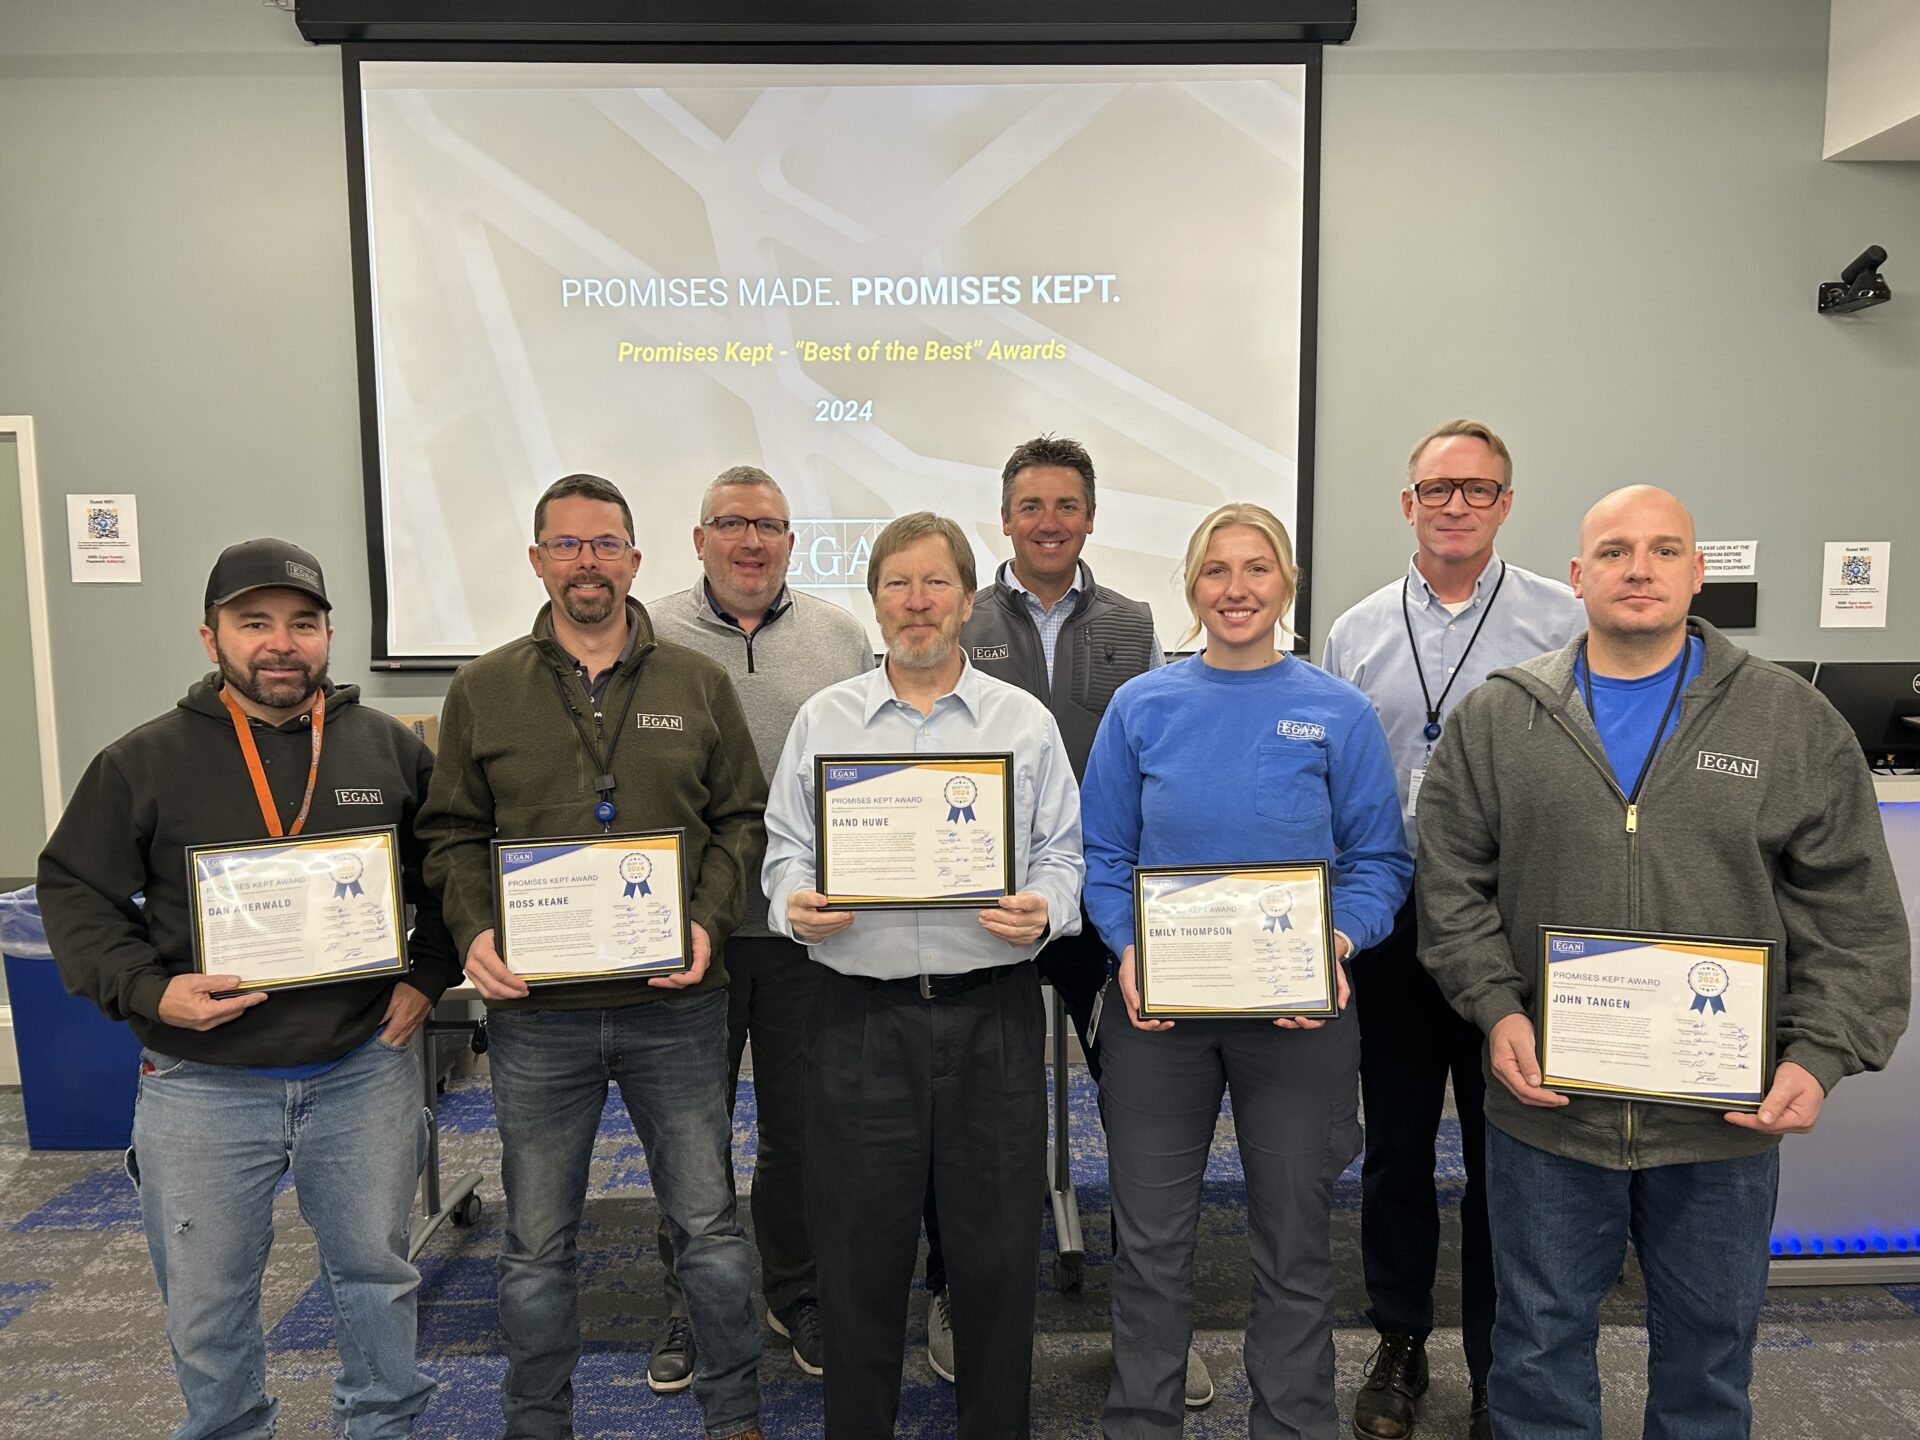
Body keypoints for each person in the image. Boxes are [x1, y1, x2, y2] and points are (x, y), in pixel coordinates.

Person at [1416, 484, 1910, 1440]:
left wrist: (1820, 1055)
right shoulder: (1500, 719)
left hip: (1722, 1122)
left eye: (1663, 550)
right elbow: (1450, 887)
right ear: (1577, 576)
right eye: (1613, 551)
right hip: (1549, 1112)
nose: (1638, 569)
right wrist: (1495, 1006)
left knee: (1710, 1360)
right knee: (1536, 1353)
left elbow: (1855, 916)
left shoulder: (1790, 722)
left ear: (1696, 572)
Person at [38, 538, 459, 1440]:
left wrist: (428, 975)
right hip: (201, 1083)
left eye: (303, 623)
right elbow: (74, 892)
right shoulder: (143, 761)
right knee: (207, 1305)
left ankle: (381, 1427)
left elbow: (448, 875)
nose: (280, 643)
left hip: (361, 1069)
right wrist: (148, 992)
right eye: (254, 622)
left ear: (329, 636)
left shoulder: (387, 749)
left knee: (378, 1282)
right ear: (211, 637)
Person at [416, 473, 767, 1440]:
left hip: (677, 1005)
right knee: (536, 1246)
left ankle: (735, 1417)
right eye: (567, 544)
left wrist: (710, 922)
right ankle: (538, 1423)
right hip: (537, 1016)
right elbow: (450, 832)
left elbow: (741, 818)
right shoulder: (483, 688)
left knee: (708, 1230)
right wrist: (475, 931)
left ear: (635, 560)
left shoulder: (697, 682)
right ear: (537, 560)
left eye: (605, 543)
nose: (587, 561)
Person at [1082, 503, 1412, 1440]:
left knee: (1294, 1245)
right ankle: (1141, 1424)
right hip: (1158, 1018)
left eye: (1257, 568)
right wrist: (1128, 947)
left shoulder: (1338, 711)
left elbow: (1379, 863)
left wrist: (1334, 944)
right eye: (1216, 570)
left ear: (1287, 583)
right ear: (1191, 587)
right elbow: (1103, 855)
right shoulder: (1141, 707)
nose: (1236, 588)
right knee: (1150, 1246)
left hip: (1299, 1020)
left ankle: (1294, 1425)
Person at [761, 512, 1085, 1440]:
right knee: (858, 1261)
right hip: (860, 1021)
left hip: (994, 1018)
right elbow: (783, 853)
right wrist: (793, 903)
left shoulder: (1021, 723)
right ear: (874, 602)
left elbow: (1065, 856)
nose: (916, 601)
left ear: (968, 599)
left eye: (935, 582)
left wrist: (1047, 907)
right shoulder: (825, 720)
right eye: (897, 584)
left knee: (997, 1259)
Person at [1321, 419, 1583, 1440]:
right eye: (1438, 488)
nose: (1457, 505)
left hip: (1511, 934)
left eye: (1478, 488)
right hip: (1391, 931)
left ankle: (1496, 1362)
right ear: (1409, 504)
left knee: (1504, 1156)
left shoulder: (1565, 621)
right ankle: (1398, 1339)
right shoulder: (1355, 631)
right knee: (1393, 1152)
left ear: (1506, 503)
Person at [940, 434, 1180, 1394]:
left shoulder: (1133, 622)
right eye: (1031, 506)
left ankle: (1149, 1320)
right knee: (959, 1109)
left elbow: (1155, 748)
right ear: (1005, 519)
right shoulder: (960, 612)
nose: (1049, 522)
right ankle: (952, 1291)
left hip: (1100, 899)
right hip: (985, 900)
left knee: (1140, 1103)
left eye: (1067, 505)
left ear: (1090, 517)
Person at [647, 464, 876, 1384]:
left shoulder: (840, 634)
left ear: (791, 541)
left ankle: (797, 1292)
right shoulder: (651, 630)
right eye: (732, 524)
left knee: (801, 1129)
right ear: (698, 539)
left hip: (804, 935)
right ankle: (693, 1306)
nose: (751, 541)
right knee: (687, 1136)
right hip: (683, 933)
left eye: (769, 526)